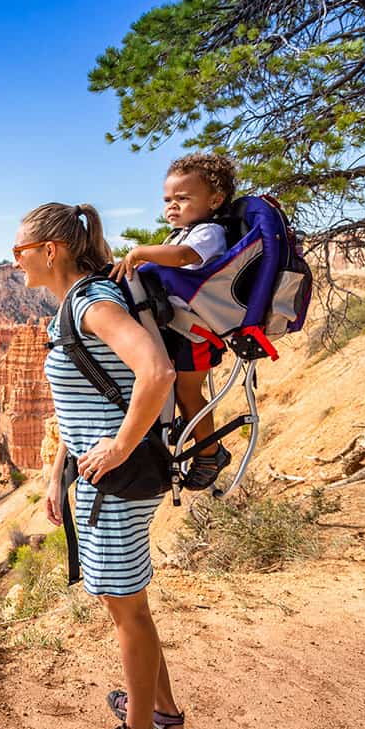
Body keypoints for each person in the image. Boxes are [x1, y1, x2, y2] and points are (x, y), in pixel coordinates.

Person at [15, 202, 184, 729]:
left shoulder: (91, 302)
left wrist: (117, 447)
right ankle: (161, 712)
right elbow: (82, 401)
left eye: (20, 251)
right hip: (99, 476)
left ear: (50, 250)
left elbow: (155, 371)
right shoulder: (74, 305)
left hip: (115, 480)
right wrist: (56, 474)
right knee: (130, 601)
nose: (15, 262)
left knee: (124, 607)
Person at [110, 153, 238, 489]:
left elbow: (184, 259)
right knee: (177, 388)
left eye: (183, 198)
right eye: (168, 199)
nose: (172, 206)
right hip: (180, 329)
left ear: (215, 199)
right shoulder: (182, 234)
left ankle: (211, 452)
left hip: (194, 334)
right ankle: (189, 430)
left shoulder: (209, 232)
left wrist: (139, 253)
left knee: (187, 390)